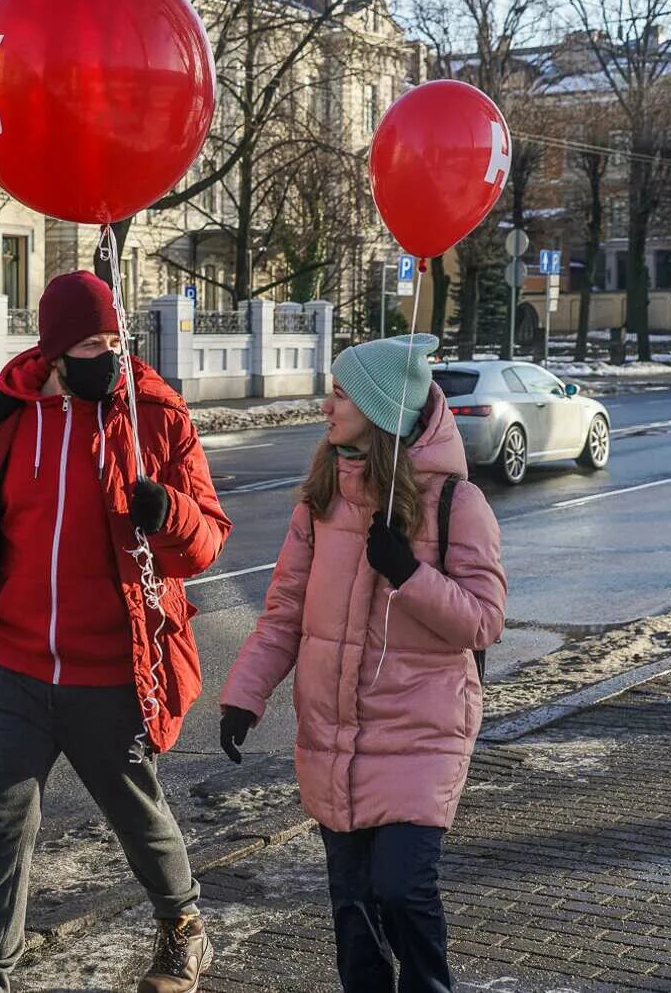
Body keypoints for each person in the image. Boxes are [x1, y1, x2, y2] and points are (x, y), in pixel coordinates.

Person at [0, 271, 233, 993]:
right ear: (53, 349)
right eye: (89, 343)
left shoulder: (153, 417)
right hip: (10, 667)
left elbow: (207, 540)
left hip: (110, 669)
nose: (105, 356)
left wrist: (167, 511)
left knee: (136, 814)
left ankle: (185, 930)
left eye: (114, 341)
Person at [217, 335, 506, 993]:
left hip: (420, 731)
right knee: (354, 917)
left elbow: (483, 621)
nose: (326, 406)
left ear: (381, 409)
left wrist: (407, 571)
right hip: (333, 737)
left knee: (401, 889)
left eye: (342, 394)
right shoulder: (320, 502)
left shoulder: (456, 505)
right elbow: (284, 612)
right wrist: (245, 695)